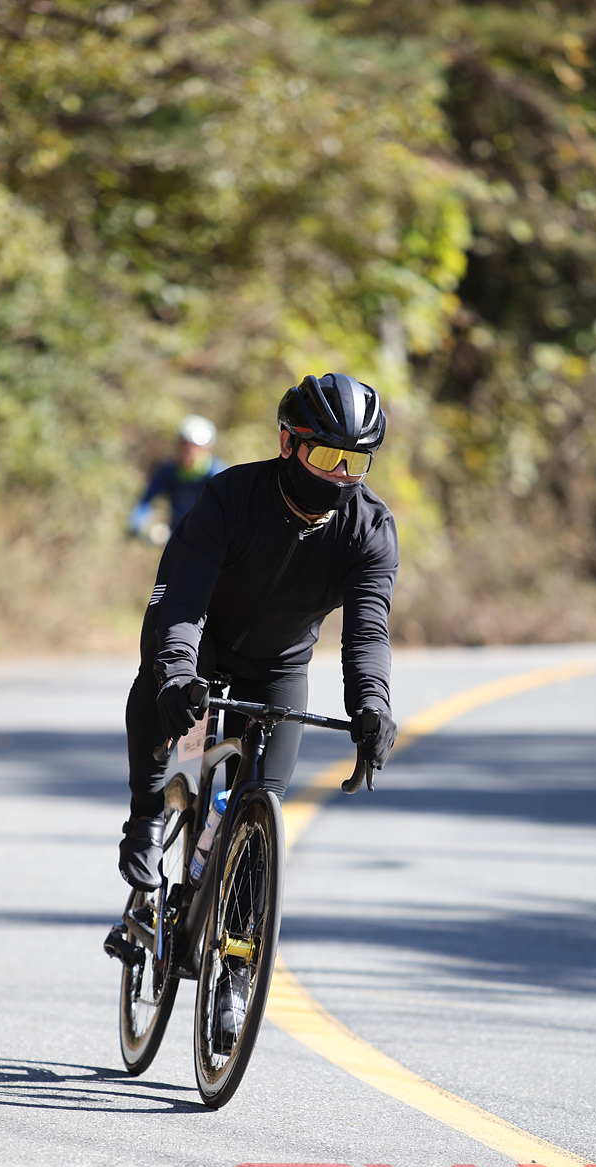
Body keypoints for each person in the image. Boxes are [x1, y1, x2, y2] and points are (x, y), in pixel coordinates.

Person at [118, 371, 401, 900]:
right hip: (200, 635)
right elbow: (184, 600)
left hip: (278, 664)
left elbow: (367, 633)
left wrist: (372, 705)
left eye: (356, 462)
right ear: (288, 443)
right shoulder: (229, 496)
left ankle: (234, 937)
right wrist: (176, 672)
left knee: (261, 808)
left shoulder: (370, 530)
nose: (341, 475)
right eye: (326, 456)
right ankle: (147, 815)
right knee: (161, 680)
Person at [128, 415, 228, 545]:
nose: (189, 451)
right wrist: (137, 526)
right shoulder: (168, 472)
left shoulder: (218, 475)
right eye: (184, 445)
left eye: (194, 446)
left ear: (207, 449)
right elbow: (145, 502)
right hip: (178, 538)